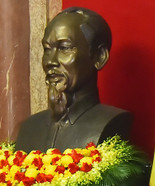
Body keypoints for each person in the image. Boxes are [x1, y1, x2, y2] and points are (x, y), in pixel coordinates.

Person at [15, 7, 132, 152]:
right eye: (47, 49)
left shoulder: (112, 122)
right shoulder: (29, 127)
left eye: (64, 48)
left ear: (99, 57)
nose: (50, 61)